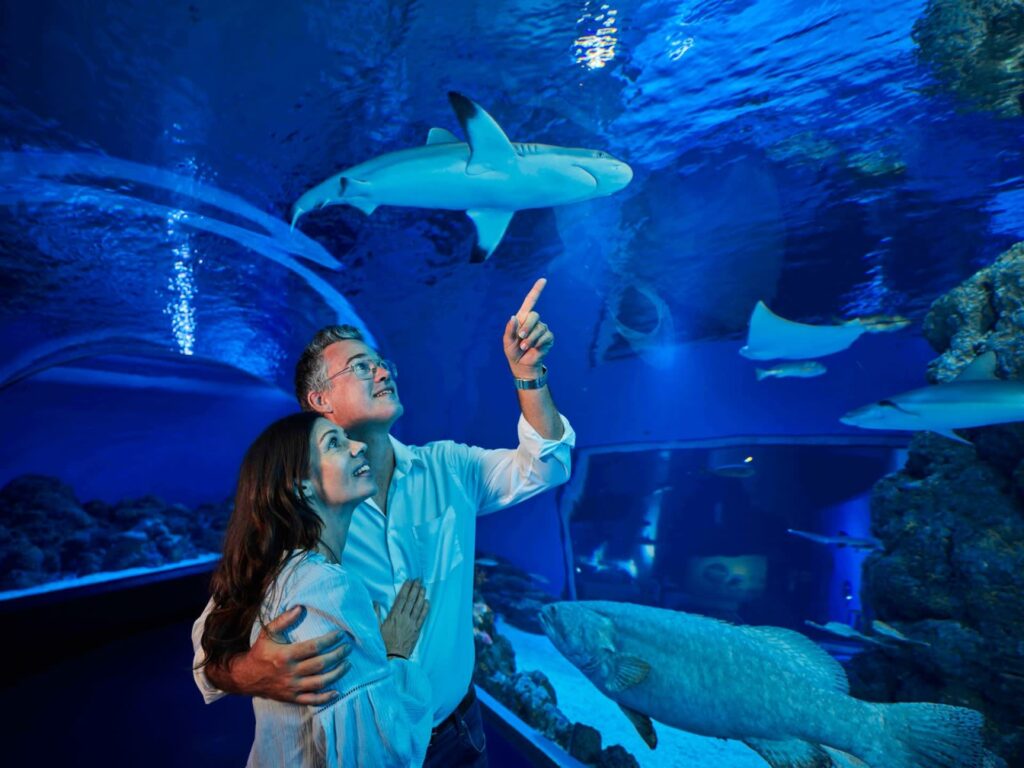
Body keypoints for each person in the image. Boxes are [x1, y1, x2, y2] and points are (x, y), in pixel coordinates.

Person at [193, 278, 575, 767]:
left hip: (456, 732)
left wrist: (528, 374)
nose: (379, 370)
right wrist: (250, 672)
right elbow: (210, 652)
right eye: (358, 366)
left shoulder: (449, 468)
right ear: (318, 401)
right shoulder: (294, 521)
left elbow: (547, 464)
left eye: (381, 363)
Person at [199, 411, 433, 766]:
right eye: (334, 443)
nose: (358, 447)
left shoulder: (276, 568)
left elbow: (206, 646)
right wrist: (397, 655)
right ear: (300, 485)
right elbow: (382, 755)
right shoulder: (327, 588)